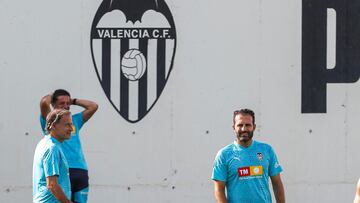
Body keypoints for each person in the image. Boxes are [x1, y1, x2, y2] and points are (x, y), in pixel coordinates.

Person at [212, 108, 285, 203]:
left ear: (254, 127)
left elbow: (277, 183)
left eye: (247, 125)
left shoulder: (267, 150)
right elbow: (219, 190)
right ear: (233, 127)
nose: (244, 129)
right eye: (240, 125)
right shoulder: (224, 155)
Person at [40, 89, 98, 203]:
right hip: (62, 169)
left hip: (80, 169)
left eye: (68, 103)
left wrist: (73, 101)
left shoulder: (74, 120)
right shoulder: (50, 120)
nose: (66, 106)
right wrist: (52, 98)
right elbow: (44, 103)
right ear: (53, 104)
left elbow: (93, 106)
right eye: (62, 103)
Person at [33, 109, 73, 203]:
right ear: (53, 125)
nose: (71, 128)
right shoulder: (52, 148)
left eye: (71, 124)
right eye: (67, 124)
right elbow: (52, 185)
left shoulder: (44, 143)